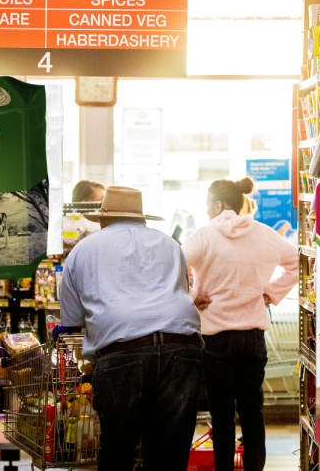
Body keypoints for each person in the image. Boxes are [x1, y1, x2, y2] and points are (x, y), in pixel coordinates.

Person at [59, 186, 203, 471]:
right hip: (181, 346)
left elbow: (72, 322)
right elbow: (182, 291)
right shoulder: (170, 244)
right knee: (170, 452)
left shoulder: (82, 250)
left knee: (118, 449)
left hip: (122, 354)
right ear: (143, 218)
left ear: (102, 219)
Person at [181, 178, 299, 471]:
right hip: (252, 338)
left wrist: (192, 297)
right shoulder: (264, 234)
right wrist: (271, 293)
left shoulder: (203, 236)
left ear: (218, 205)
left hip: (215, 339)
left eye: (208, 203)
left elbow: (172, 266)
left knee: (222, 415)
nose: (206, 210)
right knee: (252, 412)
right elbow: (297, 261)